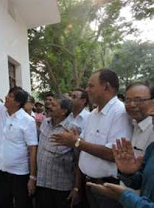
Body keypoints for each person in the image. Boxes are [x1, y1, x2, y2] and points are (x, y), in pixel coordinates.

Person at [50, 69, 132, 208]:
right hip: (89, 184)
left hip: (108, 188)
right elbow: (84, 145)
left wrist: (76, 142)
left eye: (91, 86)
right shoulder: (93, 113)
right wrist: (75, 138)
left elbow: (113, 153)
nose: (87, 90)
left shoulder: (120, 112)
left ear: (106, 86)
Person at [0, 72, 38, 208]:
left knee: (22, 204)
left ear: (18, 103)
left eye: (10, 96)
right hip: (2, 170)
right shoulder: (3, 111)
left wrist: (32, 178)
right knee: (4, 203)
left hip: (20, 174)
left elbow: (33, 150)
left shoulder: (27, 121)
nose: (6, 97)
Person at [36, 95, 75, 208]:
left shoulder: (72, 129)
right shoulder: (45, 123)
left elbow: (78, 161)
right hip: (42, 183)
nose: (49, 106)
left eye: (54, 105)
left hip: (61, 186)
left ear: (64, 111)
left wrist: (76, 188)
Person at [124, 82, 154, 156]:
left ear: (152, 102)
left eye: (139, 100)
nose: (132, 105)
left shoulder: (152, 129)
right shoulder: (131, 124)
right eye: (128, 100)